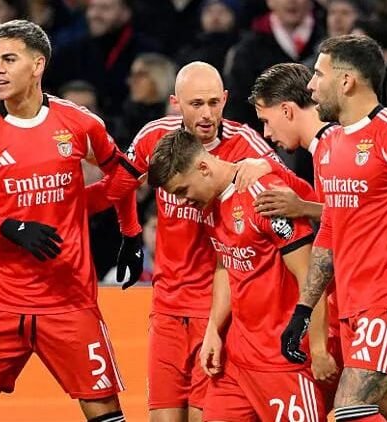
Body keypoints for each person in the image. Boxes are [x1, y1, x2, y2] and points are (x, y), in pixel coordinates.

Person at [86, 60, 315, 422]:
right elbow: (117, 187)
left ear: (225, 99)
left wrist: (269, 166)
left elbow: (297, 195)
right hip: (167, 309)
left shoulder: (247, 146)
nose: (207, 114)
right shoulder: (155, 138)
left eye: (213, 103)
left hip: (218, 311)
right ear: (176, 103)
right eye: (196, 104)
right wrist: (129, 232)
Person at [0, 20, 143, 422]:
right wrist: (7, 227)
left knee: (107, 415)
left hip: (70, 301)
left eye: (9, 60)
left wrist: (131, 233)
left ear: (38, 65)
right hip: (1, 303)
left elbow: (123, 176)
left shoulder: (79, 122)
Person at [249, 60, 387, 419]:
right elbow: (340, 215)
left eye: (267, 121)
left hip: (380, 295)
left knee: (352, 406)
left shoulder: (344, 142)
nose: (267, 133)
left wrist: (302, 206)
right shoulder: (327, 149)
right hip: (353, 299)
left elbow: (359, 209)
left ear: (287, 110)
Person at [147, 128, 332, 421]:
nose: (182, 202)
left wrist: (319, 348)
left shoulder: (265, 196)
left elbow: (311, 274)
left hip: (282, 359)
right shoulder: (208, 205)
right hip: (237, 362)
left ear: (203, 167)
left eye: (182, 191)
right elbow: (226, 264)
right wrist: (213, 330)